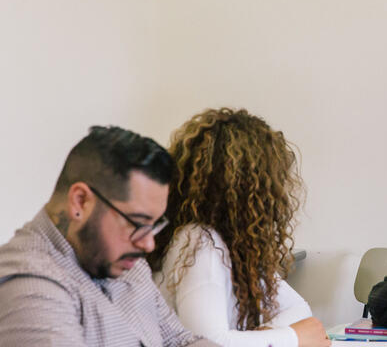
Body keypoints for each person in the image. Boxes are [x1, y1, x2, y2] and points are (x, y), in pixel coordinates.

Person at [0, 126, 219, 346]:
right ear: (80, 201)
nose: (148, 244)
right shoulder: (29, 286)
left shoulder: (125, 264)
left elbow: (180, 341)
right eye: (138, 223)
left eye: (154, 225)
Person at [148, 108, 329, 347]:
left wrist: (260, 338)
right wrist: (291, 338)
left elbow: (300, 311)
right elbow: (206, 343)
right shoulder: (199, 241)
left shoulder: (236, 248)